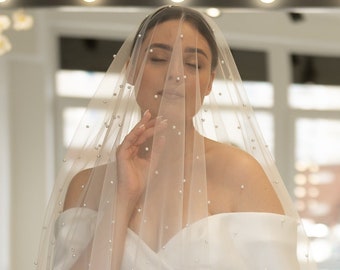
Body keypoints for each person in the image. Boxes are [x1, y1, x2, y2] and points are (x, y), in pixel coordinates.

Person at [35, 5, 317, 270]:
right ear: (130, 70)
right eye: (158, 58)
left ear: (209, 82)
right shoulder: (86, 185)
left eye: (193, 64)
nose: (175, 74)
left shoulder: (241, 173)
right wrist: (121, 200)